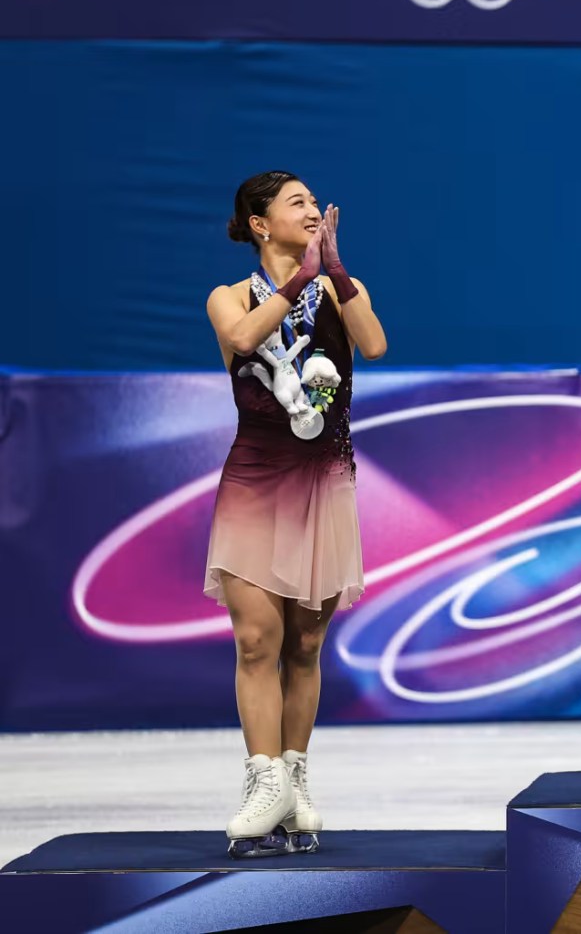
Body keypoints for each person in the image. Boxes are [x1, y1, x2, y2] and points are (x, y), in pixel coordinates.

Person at [204, 171, 387, 856]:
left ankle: (296, 778)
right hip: (255, 481)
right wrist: (292, 284)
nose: (313, 211)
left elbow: (373, 346)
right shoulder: (229, 297)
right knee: (257, 639)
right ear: (259, 224)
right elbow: (246, 339)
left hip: (325, 483)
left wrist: (334, 274)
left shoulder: (343, 291)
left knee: (306, 643)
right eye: (297, 204)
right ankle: (263, 779)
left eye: (315, 202)